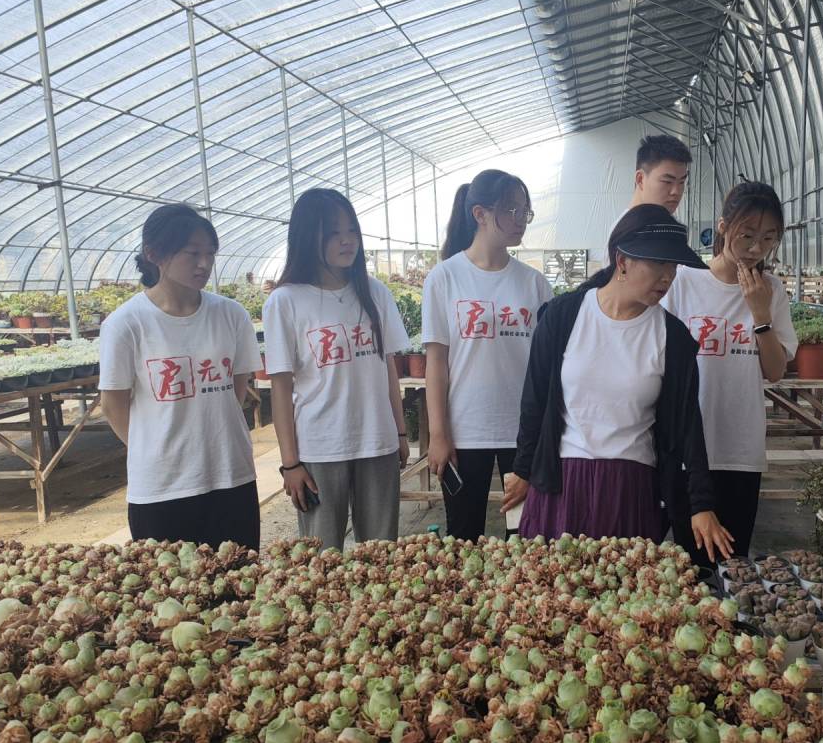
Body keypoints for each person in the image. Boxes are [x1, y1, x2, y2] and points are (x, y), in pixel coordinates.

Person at [502, 204, 734, 561]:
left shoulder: (672, 337)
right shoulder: (563, 317)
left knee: (623, 589)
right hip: (562, 483)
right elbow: (533, 401)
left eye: (673, 266)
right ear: (622, 260)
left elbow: (689, 424)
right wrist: (522, 468)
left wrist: (701, 503)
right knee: (553, 584)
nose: (668, 277)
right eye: (658, 264)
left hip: (630, 488)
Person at [99, 204, 262, 550]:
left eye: (210, 253)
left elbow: (237, 385)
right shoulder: (126, 323)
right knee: (171, 581)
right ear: (153, 254)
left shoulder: (231, 315)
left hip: (230, 474)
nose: (204, 264)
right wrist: (154, 448)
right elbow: (113, 405)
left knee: (239, 578)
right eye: (192, 253)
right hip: (162, 487)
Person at [262, 188, 410, 550]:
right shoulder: (286, 300)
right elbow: (281, 387)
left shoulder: (375, 293)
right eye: (333, 233)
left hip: (377, 441)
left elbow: (388, 368)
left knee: (380, 553)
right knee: (321, 555)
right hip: (320, 448)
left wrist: (400, 433)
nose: (347, 241)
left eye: (352, 231)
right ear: (307, 237)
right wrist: (290, 464)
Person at [663, 182, 797, 565]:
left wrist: (760, 314)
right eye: (747, 235)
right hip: (689, 451)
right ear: (723, 227)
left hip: (740, 450)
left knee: (734, 566)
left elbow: (775, 372)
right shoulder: (683, 281)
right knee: (687, 567)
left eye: (768, 238)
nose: (756, 248)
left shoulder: (771, 291)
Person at [423, 170, 553, 540]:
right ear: (480, 214)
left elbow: (547, 365)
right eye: (512, 210)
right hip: (465, 432)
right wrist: (438, 434)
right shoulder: (445, 278)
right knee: (463, 536)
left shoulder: (533, 283)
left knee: (524, 535)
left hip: (523, 433)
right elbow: (436, 363)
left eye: (525, 211)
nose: (520, 220)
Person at [606, 134, 692, 243]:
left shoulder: (660, 227)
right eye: (667, 181)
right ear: (640, 179)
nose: (676, 191)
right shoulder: (629, 234)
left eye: (681, 182)